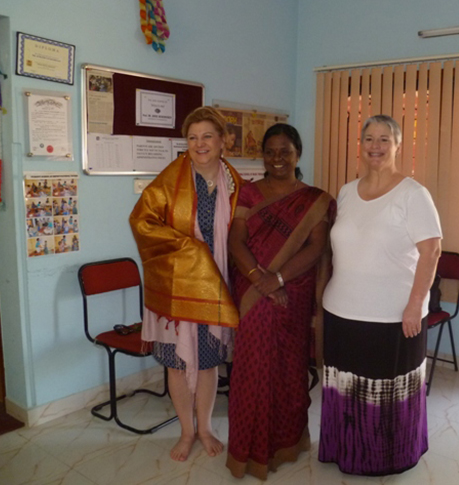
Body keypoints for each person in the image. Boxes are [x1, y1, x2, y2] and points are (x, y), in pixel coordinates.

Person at [319, 115, 442, 476]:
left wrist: (415, 306)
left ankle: (385, 458)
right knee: (346, 389)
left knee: (385, 395)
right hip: (340, 310)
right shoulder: (346, 191)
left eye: (384, 139)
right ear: (361, 143)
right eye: (369, 138)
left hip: (391, 316)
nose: (376, 145)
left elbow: (431, 251)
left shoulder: (413, 194)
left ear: (398, 145)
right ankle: (344, 451)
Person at [129, 106, 244, 462]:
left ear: (224, 140)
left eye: (207, 136)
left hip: (215, 287)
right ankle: (186, 430)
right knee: (176, 363)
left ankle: (206, 426)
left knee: (209, 361)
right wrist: (188, 249)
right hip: (178, 285)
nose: (199, 144)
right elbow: (141, 220)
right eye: (192, 137)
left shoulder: (235, 182)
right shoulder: (171, 178)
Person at [226, 123, 335, 480]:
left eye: (285, 151)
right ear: (263, 156)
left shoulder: (315, 199)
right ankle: (249, 452)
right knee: (252, 371)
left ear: (297, 154)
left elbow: (317, 247)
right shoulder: (247, 194)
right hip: (253, 292)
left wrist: (280, 278)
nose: (277, 158)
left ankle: (290, 442)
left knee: (289, 371)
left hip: (294, 293)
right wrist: (262, 279)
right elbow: (235, 241)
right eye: (270, 151)